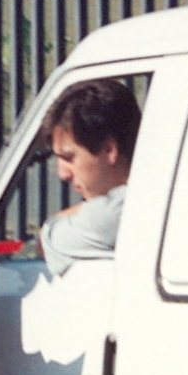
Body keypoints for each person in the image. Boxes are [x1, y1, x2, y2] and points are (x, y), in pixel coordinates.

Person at [37, 78, 141, 276]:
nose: (63, 174)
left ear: (110, 149)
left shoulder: (109, 215)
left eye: (69, 158)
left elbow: (45, 242)